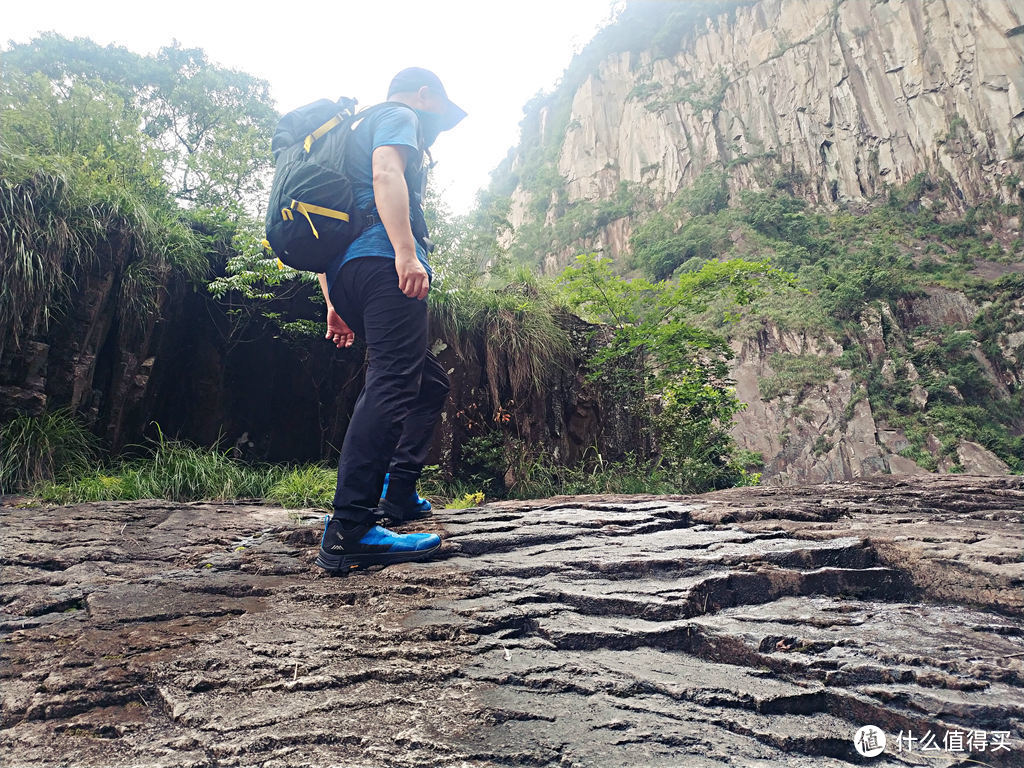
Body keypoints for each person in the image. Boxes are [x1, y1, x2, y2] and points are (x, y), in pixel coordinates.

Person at [313, 68, 466, 574]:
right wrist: (405, 252)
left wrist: (332, 299)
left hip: (347, 274)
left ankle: (398, 494)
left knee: (425, 384)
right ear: (426, 95)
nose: (439, 127)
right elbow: (386, 174)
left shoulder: (347, 131)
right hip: (383, 264)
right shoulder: (399, 114)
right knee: (394, 382)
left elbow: (324, 222)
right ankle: (350, 528)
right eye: (441, 113)